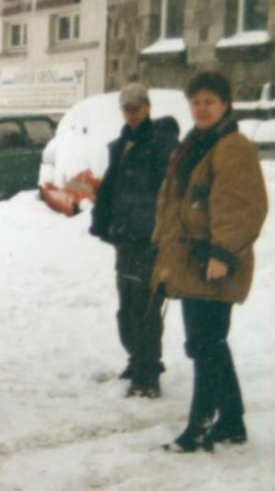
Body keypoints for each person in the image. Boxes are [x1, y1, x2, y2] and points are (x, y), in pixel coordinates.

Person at [151, 70, 268, 452]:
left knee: (205, 343)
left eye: (209, 102)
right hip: (192, 260)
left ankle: (198, 429)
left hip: (214, 262)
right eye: (196, 102)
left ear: (225, 105)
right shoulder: (197, 143)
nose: (201, 109)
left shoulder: (232, 146)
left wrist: (222, 253)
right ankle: (232, 422)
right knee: (209, 343)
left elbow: (242, 206)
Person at [89, 82, 179, 398]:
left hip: (149, 240)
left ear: (148, 108)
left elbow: (166, 194)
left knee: (146, 307)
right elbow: (111, 188)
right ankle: (136, 359)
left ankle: (149, 372)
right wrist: (103, 222)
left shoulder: (161, 144)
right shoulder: (123, 144)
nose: (131, 115)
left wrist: (161, 232)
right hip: (125, 239)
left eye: (136, 108)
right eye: (126, 109)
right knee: (127, 306)